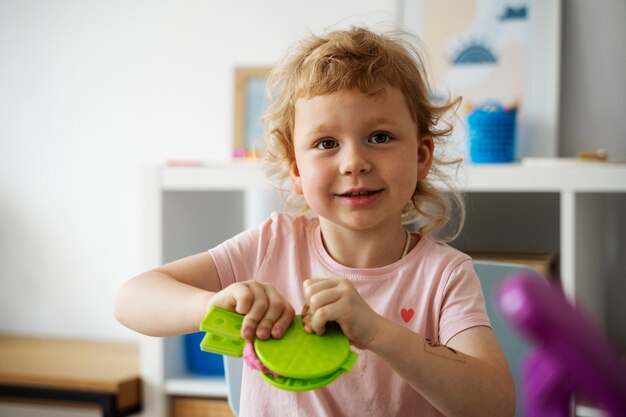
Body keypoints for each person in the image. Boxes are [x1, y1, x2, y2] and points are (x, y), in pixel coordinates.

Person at [114, 26, 515, 417]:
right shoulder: (271, 243)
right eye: (326, 143)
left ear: (421, 155)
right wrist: (208, 305)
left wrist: (377, 332)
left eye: (379, 136)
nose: (354, 162)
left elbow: (494, 405)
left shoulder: (444, 276)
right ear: (297, 172)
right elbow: (132, 299)